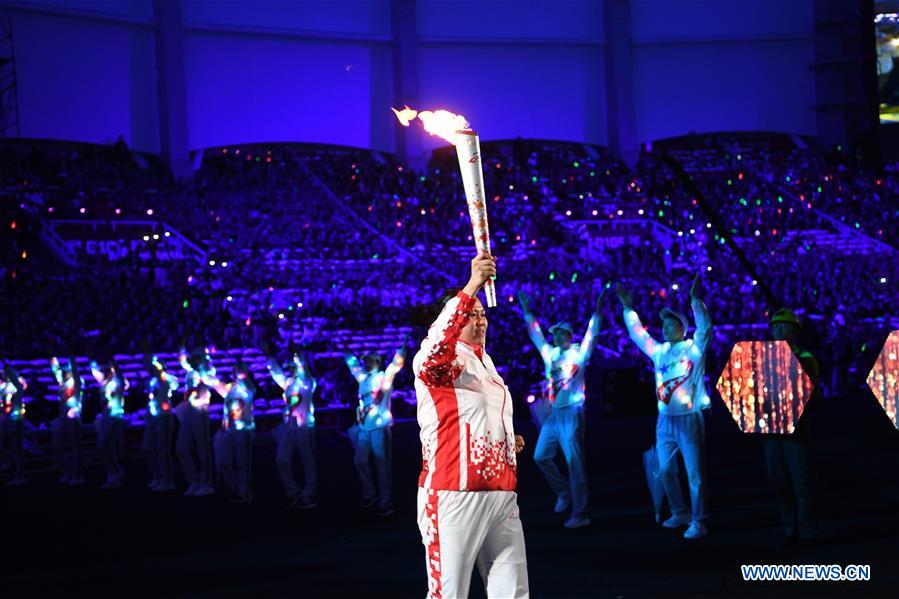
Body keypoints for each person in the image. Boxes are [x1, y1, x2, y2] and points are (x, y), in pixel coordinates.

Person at [413, 253, 529, 598]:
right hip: (453, 495)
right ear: (451, 319)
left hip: (501, 494)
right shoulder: (437, 362)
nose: (479, 321)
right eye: (469, 315)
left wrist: (506, 439)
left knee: (512, 593)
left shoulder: (486, 363)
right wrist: (473, 285)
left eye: (481, 314)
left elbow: (475, 416)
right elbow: (436, 348)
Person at [617, 274, 711, 540]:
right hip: (665, 419)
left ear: (682, 327)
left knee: (694, 473)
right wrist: (627, 308)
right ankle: (679, 511)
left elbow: (704, 328)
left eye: (671, 324)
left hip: (689, 418)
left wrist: (695, 301)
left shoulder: (693, 349)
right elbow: (638, 335)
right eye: (664, 325)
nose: (666, 328)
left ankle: (699, 519)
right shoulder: (659, 352)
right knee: (666, 468)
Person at [518, 286, 605, 528]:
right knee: (540, 456)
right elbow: (536, 336)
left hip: (573, 414)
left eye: (561, 334)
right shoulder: (551, 354)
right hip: (554, 415)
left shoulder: (579, 354)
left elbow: (592, 335)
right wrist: (527, 311)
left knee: (574, 463)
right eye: (555, 334)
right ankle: (564, 492)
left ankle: (580, 513)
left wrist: (597, 311)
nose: (556, 337)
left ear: (570, 335)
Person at [763, 308, 820, 546]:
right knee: (778, 481)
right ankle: (790, 528)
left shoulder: (805, 357)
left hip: (796, 429)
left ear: (795, 330)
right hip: (771, 429)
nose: (778, 329)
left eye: (784, 325)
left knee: (800, 481)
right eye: (775, 326)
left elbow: (809, 391)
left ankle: (806, 531)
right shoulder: (764, 357)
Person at [344, 344, 406, 516]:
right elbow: (353, 366)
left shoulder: (384, 377)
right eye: (365, 361)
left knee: (382, 464)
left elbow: (395, 366)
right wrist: (347, 352)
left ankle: (385, 502)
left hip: (379, 427)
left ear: (377, 362)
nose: (366, 363)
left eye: (369, 360)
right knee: (360, 460)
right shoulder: (363, 378)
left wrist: (402, 348)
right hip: (363, 427)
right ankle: (370, 493)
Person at [267, 350, 317, 509]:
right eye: (288, 368)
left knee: (307, 461)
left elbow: (305, 371)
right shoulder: (288, 384)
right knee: (281, 459)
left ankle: (308, 495)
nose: (289, 370)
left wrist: (298, 357)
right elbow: (276, 372)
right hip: (289, 427)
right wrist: (269, 356)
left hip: (303, 427)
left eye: (292, 368)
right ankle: (294, 492)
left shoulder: (307, 383)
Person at [207, 359, 256, 503]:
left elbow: (248, 388)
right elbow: (215, 383)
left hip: (244, 430)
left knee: (243, 463)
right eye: (235, 370)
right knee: (223, 461)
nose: (237, 373)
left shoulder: (248, 389)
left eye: (240, 370)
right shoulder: (229, 389)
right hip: (228, 430)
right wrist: (203, 368)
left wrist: (242, 375)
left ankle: (243, 492)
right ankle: (235, 488)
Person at [176, 347, 215, 496]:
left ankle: (207, 483)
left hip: (200, 412)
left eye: (196, 358)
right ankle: (194, 480)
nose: (192, 360)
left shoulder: (208, 372)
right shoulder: (190, 372)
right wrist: (183, 343)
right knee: (181, 448)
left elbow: (210, 380)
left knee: (203, 449)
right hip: (187, 412)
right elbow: (181, 358)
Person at [90, 359, 130, 489]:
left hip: (114, 417)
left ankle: (114, 472)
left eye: (107, 369)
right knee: (108, 447)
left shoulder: (117, 383)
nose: (104, 371)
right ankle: (115, 473)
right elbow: (94, 369)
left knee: (102, 446)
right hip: (105, 417)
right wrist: (91, 356)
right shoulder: (104, 383)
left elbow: (120, 376)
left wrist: (113, 362)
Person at [142, 355, 179, 492]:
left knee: (163, 450)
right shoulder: (152, 381)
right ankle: (157, 477)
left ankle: (167, 481)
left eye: (156, 366)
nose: (153, 368)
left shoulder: (167, 379)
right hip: (152, 417)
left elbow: (171, 385)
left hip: (164, 417)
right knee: (147, 448)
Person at [50, 356, 85, 485]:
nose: (64, 372)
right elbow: (55, 368)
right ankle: (67, 472)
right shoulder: (62, 383)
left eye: (67, 370)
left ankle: (78, 474)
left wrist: (71, 356)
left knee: (74, 445)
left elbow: (76, 375)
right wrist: (52, 356)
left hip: (73, 416)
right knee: (60, 445)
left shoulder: (77, 382)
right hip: (62, 416)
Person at [0, 362, 28, 486]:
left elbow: (19, 386)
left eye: (7, 373)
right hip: (5, 417)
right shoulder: (3, 386)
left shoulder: (18, 385)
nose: (4, 374)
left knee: (17, 446)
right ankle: (8, 459)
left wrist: (5, 363)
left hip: (16, 418)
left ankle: (20, 475)